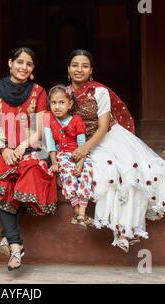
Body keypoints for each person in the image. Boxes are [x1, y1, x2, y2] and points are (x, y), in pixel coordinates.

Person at [66, 49, 165, 252]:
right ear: (68, 68)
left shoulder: (99, 91)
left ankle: (127, 230)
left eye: (85, 65)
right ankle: (115, 224)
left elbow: (104, 125)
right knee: (107, 173)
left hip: (108, 138)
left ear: (91, 70)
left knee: (132, 172)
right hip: (81, 141)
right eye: (75, 65)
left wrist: (84, 150)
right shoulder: (63, 94)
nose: (79, 70)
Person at [0, 47, 58, 271]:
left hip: (29, 146)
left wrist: (23, 146)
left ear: (33, 69)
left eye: (29, 64)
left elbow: (41, 128)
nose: (24, 67)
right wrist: (5, 148)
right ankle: (16, 245)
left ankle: (9, 239)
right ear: (10, 63)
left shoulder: (39, 91)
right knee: (1, 177)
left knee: (33, 171)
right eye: (20, 62)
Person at [44, 84, 94, 229]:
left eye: (61, 102)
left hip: (78, 153)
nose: (57, 107)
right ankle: (78, 212)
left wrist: (81, 161)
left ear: (70, 104)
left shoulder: (77, 120)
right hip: (61, 155)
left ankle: (81, 212)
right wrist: (54, 163)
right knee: (67, 173)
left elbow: (82, 144)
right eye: (53, 103)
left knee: (87, 172)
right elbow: (50, 145)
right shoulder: (49, 119)